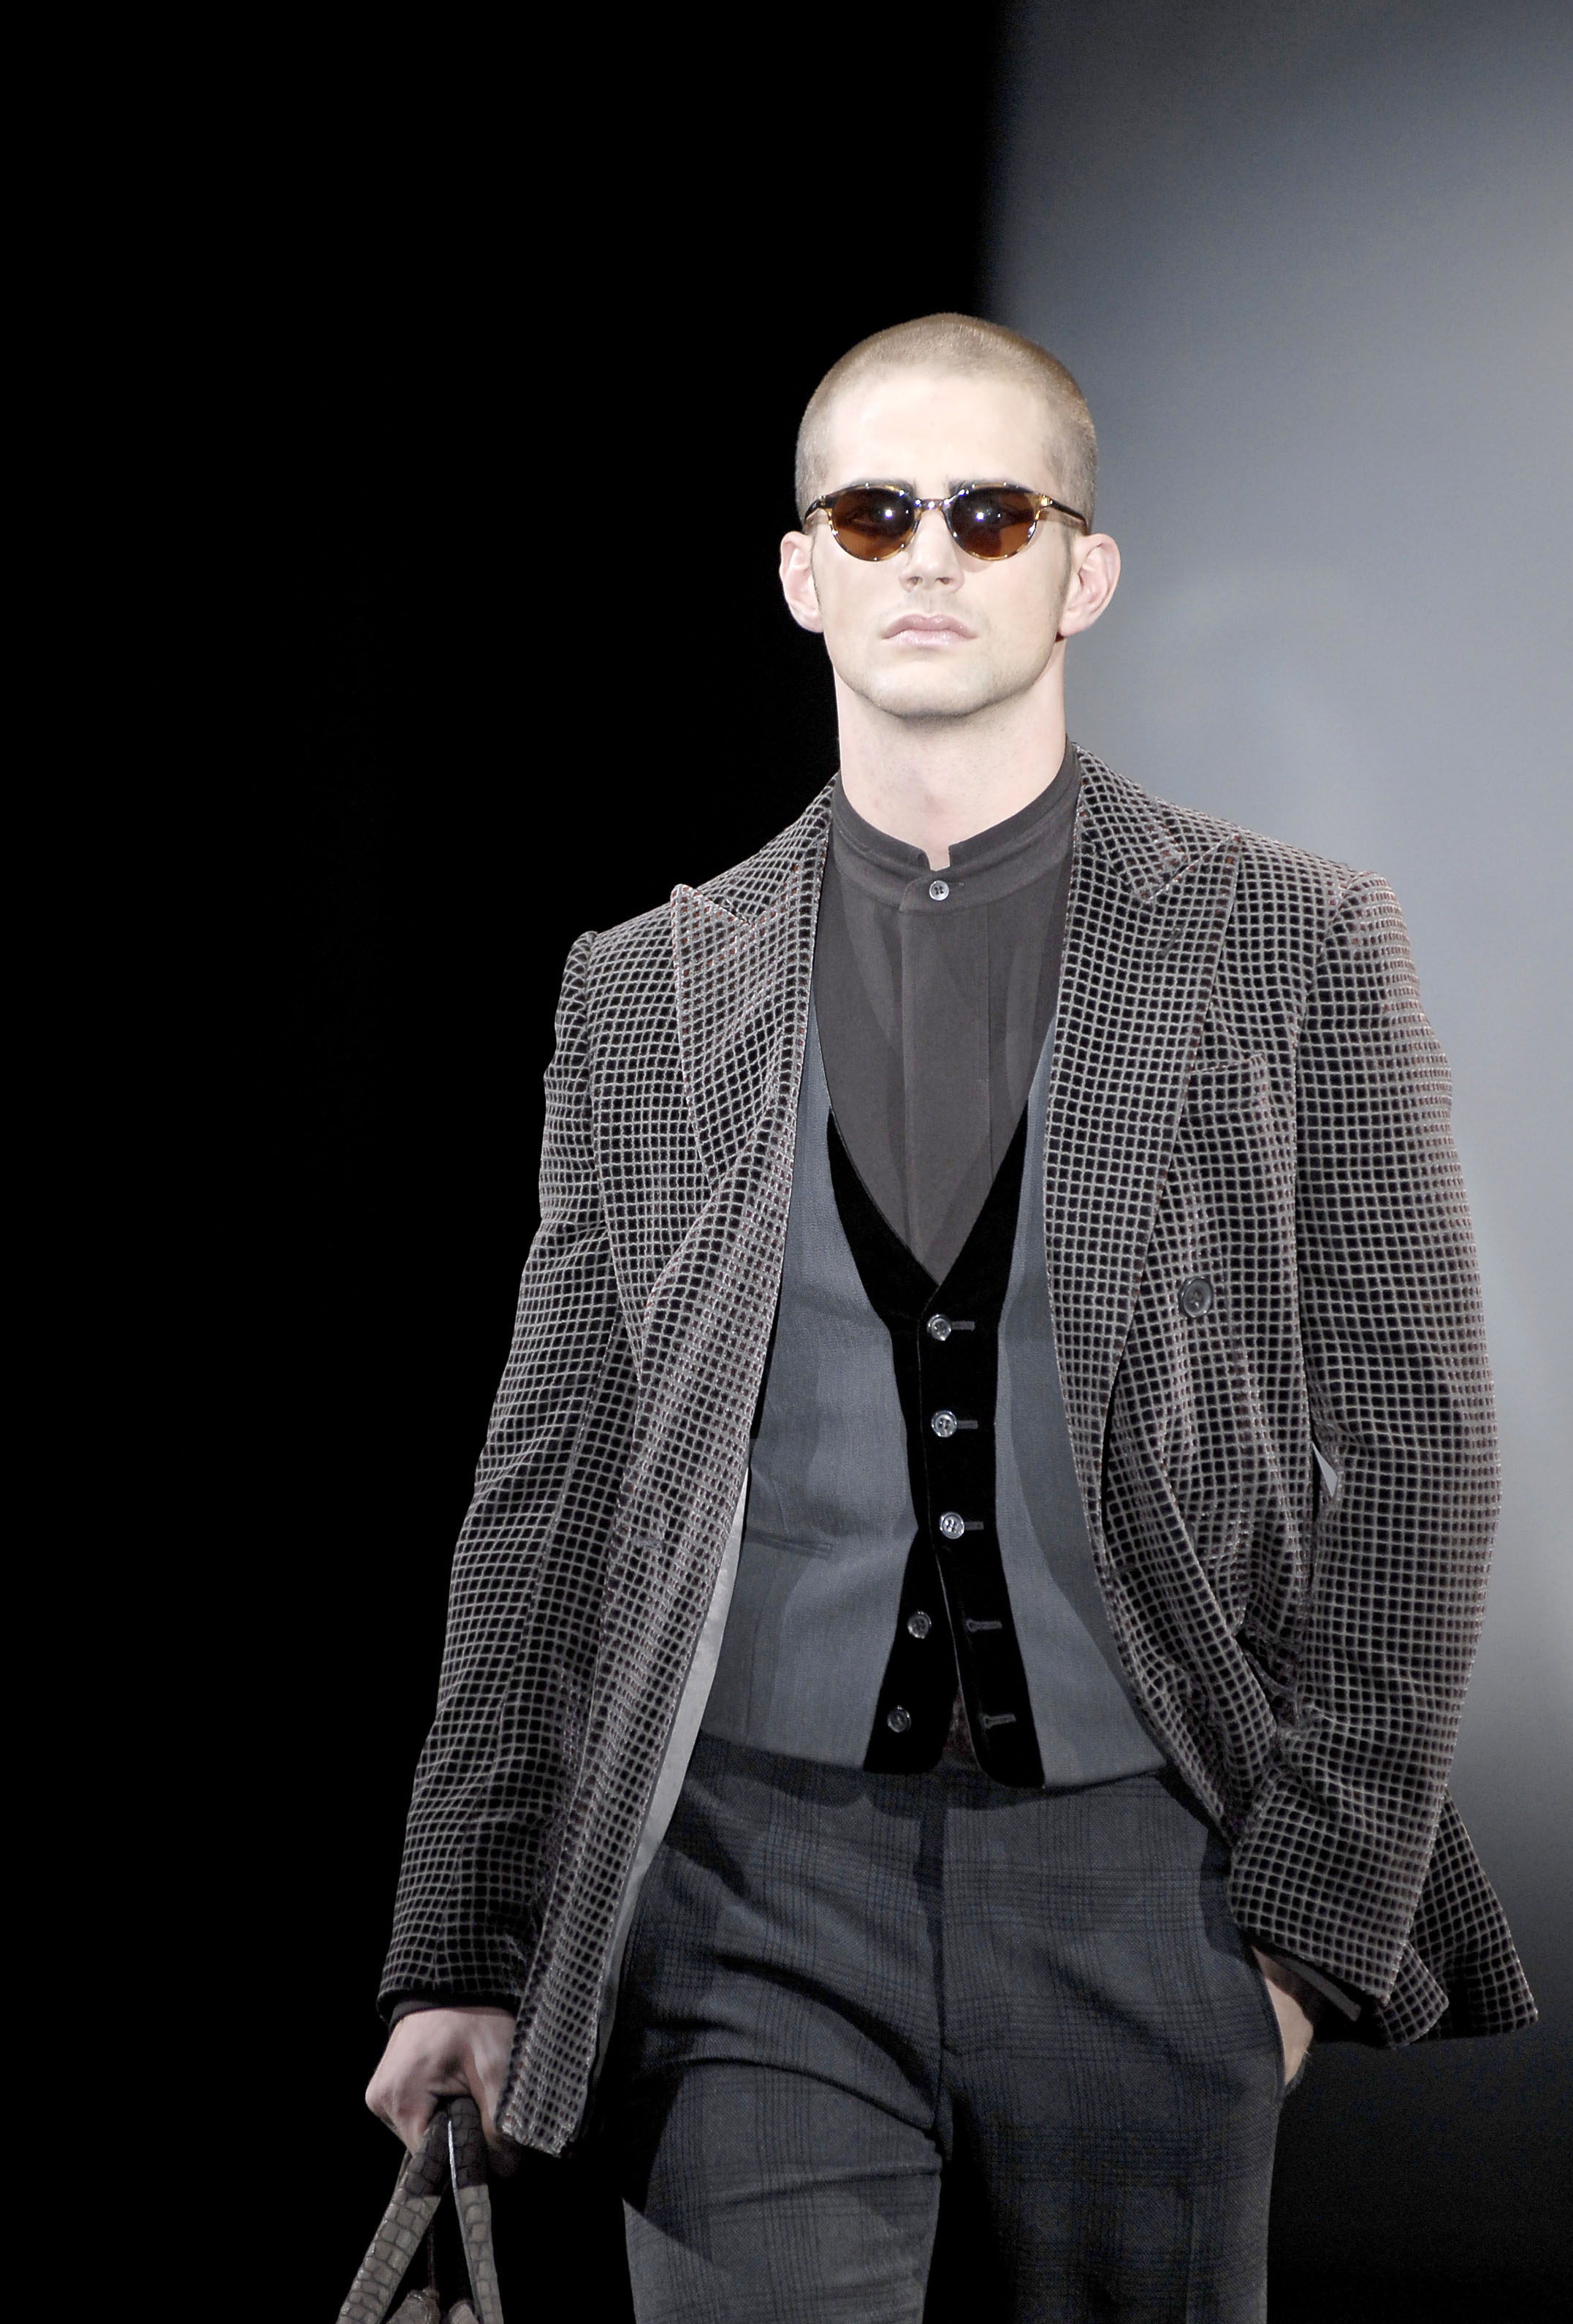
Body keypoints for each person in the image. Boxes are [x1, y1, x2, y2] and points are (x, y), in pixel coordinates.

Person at [365, 314, 1534, 2321]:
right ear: (799, 570)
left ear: (1082, 571)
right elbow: (550, 1485)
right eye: (873, 513)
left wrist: (1303, 1931)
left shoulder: (1291, 942)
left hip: (1151, 1884)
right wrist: (461, 1940)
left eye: (989, 515)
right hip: (739, 1892)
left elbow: (1414, 1449)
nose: (926, 554)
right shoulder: (644, 990)